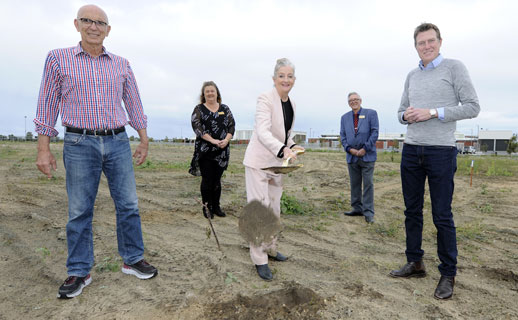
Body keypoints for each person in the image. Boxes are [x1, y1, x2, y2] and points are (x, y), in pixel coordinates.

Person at [34, 4, 158, 299]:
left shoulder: (121, 64)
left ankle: (132, 260)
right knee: (79, 210)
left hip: (117, 142)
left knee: (128, 204)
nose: (94, 27)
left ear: (108, 30)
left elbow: (134, 102)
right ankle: (79, 270)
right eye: (87, 21)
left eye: (100, 23)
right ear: (76, 24)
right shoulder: (58, 59)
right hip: (79, 143)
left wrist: (142, 138)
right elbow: (47, 104)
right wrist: (43, 149)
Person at [390, 23, 480, 300]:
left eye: (431, 41)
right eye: (421, 43)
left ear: (440, 42)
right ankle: (415, 262)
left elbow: (473, 106)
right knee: (411, 211)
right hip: (411, 150)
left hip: (441, 151)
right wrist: (407, 116)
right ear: (415, 46)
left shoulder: (454, 68)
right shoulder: (412, 75)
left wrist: (432, 112)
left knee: (442, 215)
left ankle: (448, 272)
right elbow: (400, 112)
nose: (426, 46)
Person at [243, 58, 305, 281]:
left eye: (289, 76)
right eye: (281, 76)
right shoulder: (265, 99)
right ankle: (259, 259)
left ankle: (270, 248)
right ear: (274, 78)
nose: (285, 80)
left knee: (274, 209)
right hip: (259, 162)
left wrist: (291, 145)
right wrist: (282, 149)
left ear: (294, 80)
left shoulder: (292, 104)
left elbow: (285, 134)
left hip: (277, 165)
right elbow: (263, 131)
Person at [189, 81, 235, 218]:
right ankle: (206, 207)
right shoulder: (199, 109)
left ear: (217, 93)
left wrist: (226, 140)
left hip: (222, 150)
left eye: (212, 91)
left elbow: (232, 126)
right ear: (203, 94)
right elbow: (197, 128)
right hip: (205, 150)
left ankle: (216, 206)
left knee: (217, 180)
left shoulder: (225, 109)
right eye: (207, 91)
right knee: (207, 180)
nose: (210, 93)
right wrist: (212, 140)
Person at [340, 92, 379, 224]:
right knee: (354, 184)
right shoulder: (344, 118)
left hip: (367, 156)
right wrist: (350, 150)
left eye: (356, 99)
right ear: (348, 103)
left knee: (368, 184)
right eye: (351, 100)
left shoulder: (371, 114)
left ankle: (368, 212)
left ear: (360, 100)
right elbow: (343, 137)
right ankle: (357, 208)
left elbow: (375, 133)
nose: (353, 102)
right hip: (352, 157)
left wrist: (364, 149)